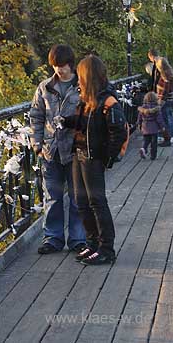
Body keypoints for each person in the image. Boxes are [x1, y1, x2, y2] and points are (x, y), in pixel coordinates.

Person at [64, 55, 127, 265]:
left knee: (97, 202)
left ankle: (106, 249)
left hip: (93, 158)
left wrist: (106, 157)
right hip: (79, 154)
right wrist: (66, 122)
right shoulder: (87, 99)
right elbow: (83, 123)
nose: (77, 79)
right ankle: (91, 244)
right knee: (81, 202)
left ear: (87, 76)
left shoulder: (108, 101)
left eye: (80, 75)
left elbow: (119, 132)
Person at [28, 44, 87, 255]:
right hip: (50, 150)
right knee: (52, 196)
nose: (58, 70)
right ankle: (53, 238)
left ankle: (78, 238)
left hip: (75, 149)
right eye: (55, 66)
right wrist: (37, 145)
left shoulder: (82, 86)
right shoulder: (44, 87)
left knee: (77, 196)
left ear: (70, 64)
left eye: (61, 65)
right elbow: (36, 116)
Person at [147, 49, 173, 146]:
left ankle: (167, 137)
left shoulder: (164, 77)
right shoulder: (168, 74)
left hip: (163, 98)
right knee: (168, 116)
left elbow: (164, 88)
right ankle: (169, 136)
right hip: (167, 97)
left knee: (164, 116)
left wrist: (161, 99)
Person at [137, 92, 163, 160]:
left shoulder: (142, 108)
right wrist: (162, 126)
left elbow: (139, 118)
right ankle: (153, 156)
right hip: (154, 128)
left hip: (145, 127)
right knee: (154, 143)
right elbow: (159, 119)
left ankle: (143, 149)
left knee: (146, 140)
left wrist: (139, 125)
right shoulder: (156, 108)